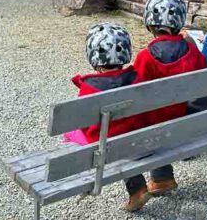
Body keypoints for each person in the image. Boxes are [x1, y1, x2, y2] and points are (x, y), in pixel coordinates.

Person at [63, 22, 152, 212]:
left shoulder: (89, 88)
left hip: (107, 143)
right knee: (120, 140)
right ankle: (151, 182)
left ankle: (136, 188)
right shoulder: (137, 78)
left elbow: (85, 125)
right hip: (138, 135)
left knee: (70, 132)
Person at [129, 0, 207, 199]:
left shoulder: (146, 57)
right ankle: (162, 178)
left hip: (156, 125)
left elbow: (136, 93)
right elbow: (202, 79)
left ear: (149, 25)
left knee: (146, 119)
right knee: (162, 117)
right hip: (188, 119)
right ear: (180, 23)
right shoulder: (192, 51)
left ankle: (156, 179)